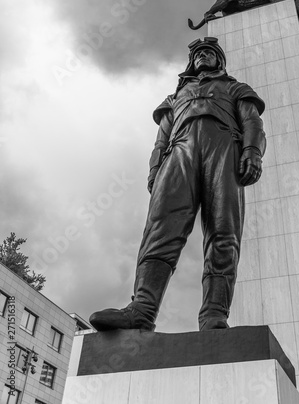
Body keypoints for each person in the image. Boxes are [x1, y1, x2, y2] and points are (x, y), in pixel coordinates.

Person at [90, 37, 266, 332]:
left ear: (219, 60)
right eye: (198, 54)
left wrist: (252, 150)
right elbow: (161, 139)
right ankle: (142, 309)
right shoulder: (175, 98)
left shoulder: (236, 88)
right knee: (161, 228)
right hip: (179, 153)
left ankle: (213, 313)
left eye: (209, 53)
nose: (202, 57)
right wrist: (155, 170)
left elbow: (253, 122)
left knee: (224, 231)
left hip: (223, 149)